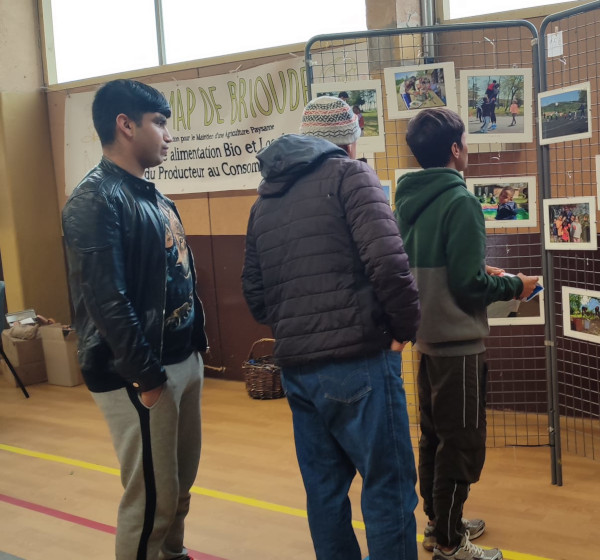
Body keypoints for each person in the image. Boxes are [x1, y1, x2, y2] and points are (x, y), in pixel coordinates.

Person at [241, 96, 421, 560]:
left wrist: (300, 323)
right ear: (351, 136)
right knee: (388, 485)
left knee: (324, 492)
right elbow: (389, 262)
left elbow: (255, 295)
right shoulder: (351, 175)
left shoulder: (265, 200)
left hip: (298, 370)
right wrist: (405, 327)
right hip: (359, 361)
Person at [61, 79, 208, 560]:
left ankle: (173, 554)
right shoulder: (94, 199)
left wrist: (195, 348)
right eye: (159, 123)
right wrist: (146, 377)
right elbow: (107, 300)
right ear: (126, 125)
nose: (169, 135)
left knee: (180, 486)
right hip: (139, 372)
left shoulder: (152, 196)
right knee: (150, 501)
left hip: (181, 360)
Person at [394, 107, 540, 560]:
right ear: (456, 149)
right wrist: (517, 286)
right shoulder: (461, 201)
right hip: (458, 343)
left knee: (435, 437)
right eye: (466, 142)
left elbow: (431, 271)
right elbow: (468, 285)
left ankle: (441, 522)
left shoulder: (407, 199)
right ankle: (451, 545)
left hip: (428, 338)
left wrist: (480, 270)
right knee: (461, 443)